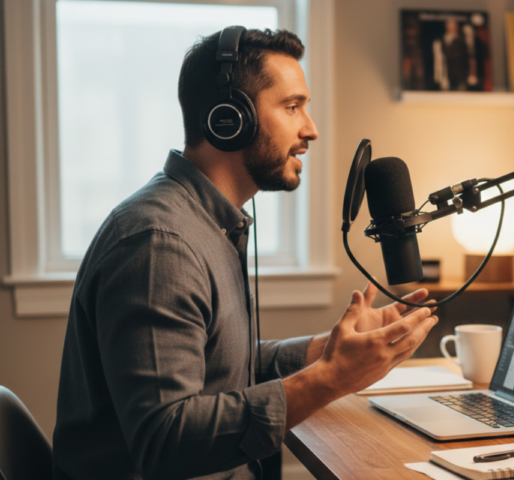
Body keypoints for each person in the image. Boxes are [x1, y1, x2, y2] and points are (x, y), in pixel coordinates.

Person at [52, 27, 438, 480]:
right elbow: (165, 443)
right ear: (230, 118)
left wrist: (330, 349)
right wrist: (331, 377)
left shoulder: (208, 222)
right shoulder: (160, 244)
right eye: (292, 107)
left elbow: (218, 366)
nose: (310, 129)